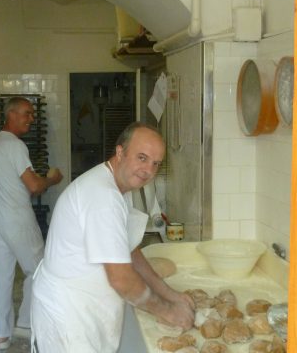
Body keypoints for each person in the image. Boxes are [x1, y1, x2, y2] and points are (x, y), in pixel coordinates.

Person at [31, 122, 195, 353]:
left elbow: (129, 250)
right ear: (120, 152)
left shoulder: (119, 185)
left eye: (155, 163)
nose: (148, 170)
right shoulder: (103, 197)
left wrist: (169, 294)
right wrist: (168, 311)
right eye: (142, 157)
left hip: (83, 308)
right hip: (70, 316)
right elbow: (121, 279)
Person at [0, 96, 63, 350]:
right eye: (27, 113)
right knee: (39, 270)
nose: (32, 118)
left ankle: (2, 336)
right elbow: (34, 186)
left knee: (2, 278)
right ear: (11, 115)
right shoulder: (15, 146)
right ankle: (26, 324)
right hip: (17, 219)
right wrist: (52, 179)